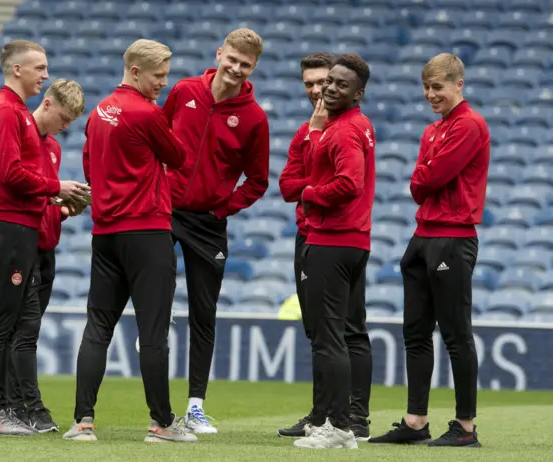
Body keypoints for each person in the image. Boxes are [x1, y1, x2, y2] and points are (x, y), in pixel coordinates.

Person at [63, 39, 196, 443]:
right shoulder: (148, 114)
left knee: (98, 327)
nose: (163, 83)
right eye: (158, 76)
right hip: (147, 232)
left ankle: (83, 422)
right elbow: (178, 158)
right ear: (135, 71)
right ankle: (162, 424)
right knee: (153, 332)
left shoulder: (98, 112)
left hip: (105, 234)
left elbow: (89, 164)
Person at [369, 53, 489, 448]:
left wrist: (425, 174)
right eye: (427, 87)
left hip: (453, 237)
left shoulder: (470, 125)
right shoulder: (432, 132)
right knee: (415, 332)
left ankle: (466, 427)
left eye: (438, 87)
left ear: (459, 85)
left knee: (456, 334)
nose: (430, 94)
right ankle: (416, 421)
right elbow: (419, 184)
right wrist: (425, 175)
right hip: (423, 235)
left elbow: (431, 176)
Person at [0, 40, 90, 437]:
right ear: (17, 69)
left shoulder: (18, 114)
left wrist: (55, 197)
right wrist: (55, 186)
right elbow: (9, 175)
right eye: (39, 67)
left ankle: (6, 409)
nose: (45, 74)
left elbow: (20, 179)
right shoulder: (6, 112)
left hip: (21, 228)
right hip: (7, 227)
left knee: (14, 324)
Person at [162, 28, 270, 434]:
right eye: (233, 59)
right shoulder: (184, 91)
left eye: (246, 64)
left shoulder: (254, 118)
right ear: (220, 52)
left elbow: (257, 181)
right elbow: (156, 140)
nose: (237, 68)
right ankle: (160, 403)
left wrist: (220, 207)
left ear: (253, 67)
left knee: (204, 314)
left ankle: (195, 407)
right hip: (166, 209)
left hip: (208, 224)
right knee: (152, 290)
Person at [277, 52, 372, 441]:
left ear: (358, 93)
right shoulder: (343, 126)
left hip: (332, 238)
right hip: (344, 238)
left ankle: (340, 424)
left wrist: (311, 192)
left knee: (332, 335)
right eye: (325, 82)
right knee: (334, 334)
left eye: (337, 84)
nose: (327, 88)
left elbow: (349, 183)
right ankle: (332, 420)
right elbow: (285, 186)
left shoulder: (341, 130)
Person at [3, 79, 88, 433]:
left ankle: (14, 407)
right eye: (64, 119)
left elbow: (44, 197)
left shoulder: (52, 147)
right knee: (25, 331)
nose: (65, 127)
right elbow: (19, 186)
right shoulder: (22, 138)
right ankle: (31, 408)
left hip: (46, 244)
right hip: (24, 245)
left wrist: (65, 208)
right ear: (48, 104)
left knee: (21, 332)